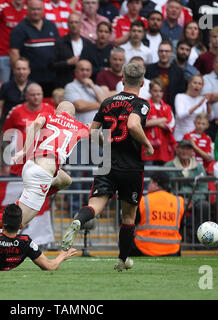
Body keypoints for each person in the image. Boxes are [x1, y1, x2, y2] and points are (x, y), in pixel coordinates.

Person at [61, 61, 154, 272]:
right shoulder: (141, 104)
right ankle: (122, 260)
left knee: (96, 205)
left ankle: (79, 220)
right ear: (141, 82)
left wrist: (107, 144)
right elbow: (132, 124)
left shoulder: (107, 102)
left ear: (122, 80)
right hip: (131, 166)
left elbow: (91, 132)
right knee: (128, 217)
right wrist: (147, 145)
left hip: (107, 163)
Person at [0, 102, 89, 238]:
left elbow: (35, 125)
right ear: (73, 115)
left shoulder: (48, 116)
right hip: (42, 174)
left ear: (57, 111)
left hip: (31, 166)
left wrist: (24, 151)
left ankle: (32, 198)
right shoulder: (78, 126)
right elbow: (99, 137)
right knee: (18, 222)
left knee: (66, 180)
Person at [1, 83, 55, 176]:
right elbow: (6, 136)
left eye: (38, 94)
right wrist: (6, 162)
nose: (36, 97)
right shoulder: (16, 111)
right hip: (19, 160)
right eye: (32, 95)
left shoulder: (50, 110)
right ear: (26, 96)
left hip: (42, 160)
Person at [9, 0, 60, 98]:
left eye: (38, 9)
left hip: (51, 77)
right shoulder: (19, 29)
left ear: (43, 10)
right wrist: (21, 74)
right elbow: (14, 53)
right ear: (27, 9)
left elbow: (58, 48)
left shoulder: (51, 25)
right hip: (31, 79)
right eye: (33, 9)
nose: (36, 12)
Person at [164, 140, 210, 244]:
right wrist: (181, 200)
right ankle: (174, 239)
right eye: (182, 148)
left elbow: (203, 188)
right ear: (177, 150)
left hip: (195, 199)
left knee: (204, 206)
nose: (185, 151)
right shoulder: (168, 166)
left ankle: (199, 240)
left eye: (188, 149)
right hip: (176, 199)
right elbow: (167, 188)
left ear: (192, 152)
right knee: (173, 206)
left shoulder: (199, 167)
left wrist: (192, 201)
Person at [129, 171, 184, 257]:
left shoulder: (144, 201)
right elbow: (181, 226)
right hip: (172, 250)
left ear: (155, 184)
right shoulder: (178, 201)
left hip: (144, 249)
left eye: (150, 182)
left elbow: (130, 222)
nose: (148, 186)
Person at [52, 12, 95, 89]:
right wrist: (67, 62)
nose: (74, 25)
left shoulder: (88, 43)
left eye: (76, 22)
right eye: (71, 22)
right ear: (67, 25)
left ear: (81, 24)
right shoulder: (60, 42)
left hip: (86, 84)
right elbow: (52, 65)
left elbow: (94, 64)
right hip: (65, 83)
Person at [0, 57, 32, 139]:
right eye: (18, 69)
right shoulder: (6, 87)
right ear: (13, 70)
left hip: (29, 128)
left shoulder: (34, 87)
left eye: (24, 69)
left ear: (29, 70)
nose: (21, 72)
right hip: (10, 127)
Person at [0, 0, 27, 84]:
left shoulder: (28, 9)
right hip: (3, 54)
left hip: (22, 56)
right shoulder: (2, 8)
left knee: (22, 86)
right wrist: (1, 42)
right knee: (3, 86)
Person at [145, 40, 187, 112]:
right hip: (151, 110)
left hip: (171, 110)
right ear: (158, 53)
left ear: (172, 53)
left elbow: (181, 93)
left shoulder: (179, 72)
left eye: (167, 51)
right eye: (161, 51)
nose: (164, 54)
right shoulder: (149, 69)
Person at [143, 78, 176, 165]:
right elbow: (143, 123)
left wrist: (153, 122)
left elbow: (171, 126)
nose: (158, 94)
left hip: (163, 148)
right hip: (148, 147)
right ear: (150, 91)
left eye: (160, 91)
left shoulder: (167, 107)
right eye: (155, 91)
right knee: (147, 175)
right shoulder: (144, 105)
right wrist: (163, 119)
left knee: (163, 176)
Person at [173, 74, 212, 141]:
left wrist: (208, 105)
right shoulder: (180, 97)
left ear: (202, 87)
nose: (197, 85)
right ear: (189, 84)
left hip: (197, 138)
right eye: (195, 83)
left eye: (200, 84)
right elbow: (180, 115)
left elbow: (210, 118)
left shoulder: (202, 99)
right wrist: (197, 105)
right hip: (181, 136)